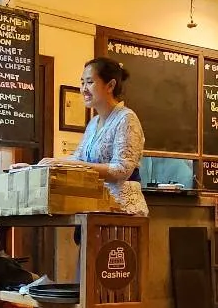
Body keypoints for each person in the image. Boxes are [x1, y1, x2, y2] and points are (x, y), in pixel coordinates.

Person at [41, 57, 148, 217]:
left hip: (123, 211)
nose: (83, 89)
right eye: (82, 82)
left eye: (90, 82)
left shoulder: (127, 118)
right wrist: (49, 163)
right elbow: (78, 157)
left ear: (110, 85)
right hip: (94, 207)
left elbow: (122, 169)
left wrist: (71, 165)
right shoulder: (93, 123)